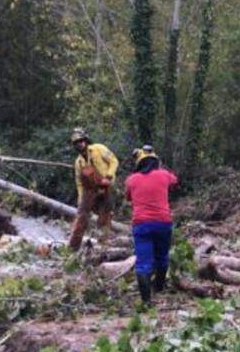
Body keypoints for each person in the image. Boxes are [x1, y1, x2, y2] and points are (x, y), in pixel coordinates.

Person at [124, 145, 178, 305]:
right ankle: (159, 288)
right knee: (162, 256)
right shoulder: (164, 175)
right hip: (163, 222)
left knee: (143, 262)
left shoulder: (131, 179)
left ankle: (146, 301)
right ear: (156, 162)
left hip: (141, 225)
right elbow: (175, 181)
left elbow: (128, 197)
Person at [68, 127, 119, 250]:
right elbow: (79, 182)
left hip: (105, 186)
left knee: (104, 216)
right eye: (76, 143)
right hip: (89, 190)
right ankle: (72, 247)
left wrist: (109, 176)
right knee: (81, 216)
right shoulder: (78, 162)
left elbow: (114, 161)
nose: (79, 144)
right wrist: (81, 199)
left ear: (85, 140)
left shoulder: (98, 149)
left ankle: (103, 246)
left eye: (80, 141)